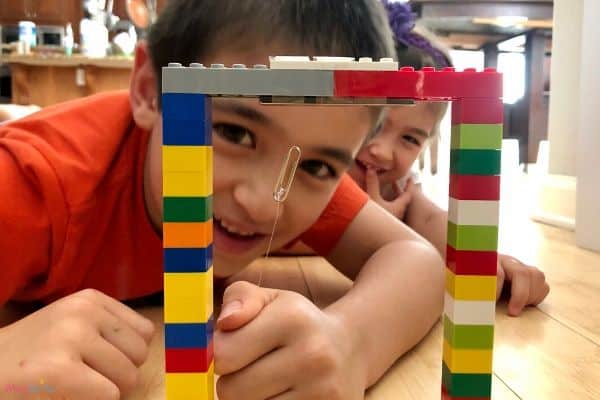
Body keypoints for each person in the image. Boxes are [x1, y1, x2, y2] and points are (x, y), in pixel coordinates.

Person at [0, 1, 446, 400]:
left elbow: (416, 260)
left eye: (318, 167)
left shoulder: (291, 169)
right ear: (148, 92)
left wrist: (353, 341)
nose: (265, 205)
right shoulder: (36, 184)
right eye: (236, 133)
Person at [348, 1, 550, 317]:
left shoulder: (398, 188)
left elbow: (431, 220)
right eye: (376, 125)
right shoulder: (308, 168)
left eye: (410, 138)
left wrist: (482, 259)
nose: (383, 152)